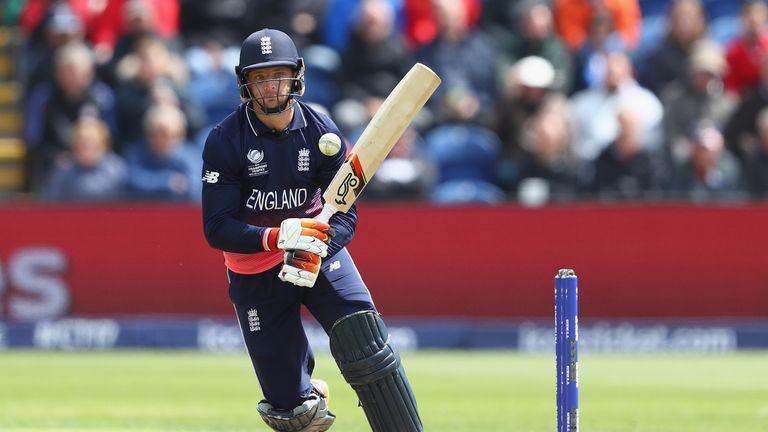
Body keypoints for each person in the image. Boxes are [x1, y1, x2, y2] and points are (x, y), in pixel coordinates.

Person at [201, 28, 422, 431]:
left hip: (320, 256)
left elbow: (346, 213)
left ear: (296, 76)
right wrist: (279, 238)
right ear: (245, 84)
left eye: (278, 75)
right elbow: (217, 228)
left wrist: (318, 244)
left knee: (367, 345)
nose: (271, 86)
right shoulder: (224, 142)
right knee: (293, 414)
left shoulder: (323, 133)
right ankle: (306, 393)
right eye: (260, 77)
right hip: (256, 271)